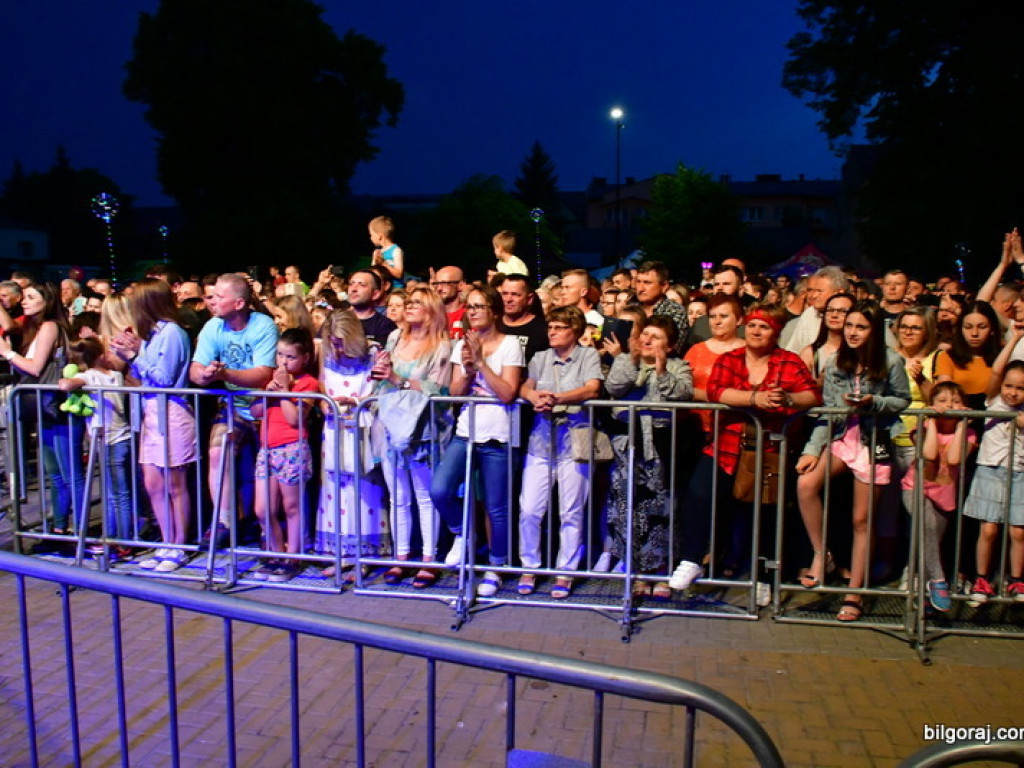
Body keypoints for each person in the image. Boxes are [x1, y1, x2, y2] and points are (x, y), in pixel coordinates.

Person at [669, 304, 820, 593]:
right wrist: (754, 398)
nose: (756, 331)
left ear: (775, 332)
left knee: (762, 516)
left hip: (768, 451)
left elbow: (811, 395)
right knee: (699, 495)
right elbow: (715, 391)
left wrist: (788, 398)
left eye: (763, 326)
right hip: (725, 444)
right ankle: (691, 559)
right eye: (752, 325)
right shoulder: (730, 358)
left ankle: (762, 577)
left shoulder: (787, 361)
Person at [795, 301, 911, 622]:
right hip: (842, 438)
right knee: (806, 484)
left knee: (862, 520)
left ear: (874, 331)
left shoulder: (890, 361)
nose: (853, 333)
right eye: (849, 326)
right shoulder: (835, 362)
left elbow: (903, 400)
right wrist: (811, 450)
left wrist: (875, 402)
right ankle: (822, 554)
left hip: (875, 442)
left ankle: (854, 593)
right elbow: (829, 415)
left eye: (861, 327)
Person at [430, 284, 524, 597]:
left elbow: (509, 393)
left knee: (496, 508)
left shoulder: (510, 344)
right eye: (469, 307)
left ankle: (496, 568)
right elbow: (456, 394)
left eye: (479, 306)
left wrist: (482, 363)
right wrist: (469, 369)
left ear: (494, 312)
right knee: (440, 489)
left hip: (497, 435)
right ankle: (463, 534)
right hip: (466, 431)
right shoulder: (461, 346)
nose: (472, 312)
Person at [516, 306, 603, 599]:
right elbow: (525, 386)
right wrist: (532, 396)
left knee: (571, 511)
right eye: (550, 327)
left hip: (574, 442)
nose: (551, 332)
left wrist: (557, 398)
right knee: (529, 509)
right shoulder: (541, 357)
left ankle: (565, 572)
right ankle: (530, 566)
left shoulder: (588, 356)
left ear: (574, 331)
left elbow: (592, 389)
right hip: (541, 441)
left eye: (559, 327)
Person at [111, 278, 197, 572]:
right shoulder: (150, 334)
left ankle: (180, 544)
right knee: (152, 482)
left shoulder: (172, 332)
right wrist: (130, 354)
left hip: (171, 412)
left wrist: (135, 355)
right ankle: (166, 541)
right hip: (150, 412)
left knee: (175, 483)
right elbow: (143, 375)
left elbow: (163, 377)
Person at [605, 316, 693, 597]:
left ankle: (664, 570)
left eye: (655, 337)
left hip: (661, 446)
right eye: (645, 335)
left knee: (663, 509)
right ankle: (638, 571)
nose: (646, 340)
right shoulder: (629, 361)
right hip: (628, 444)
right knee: (629, 508)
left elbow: (681, 394)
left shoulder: (679, 366)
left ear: (669, 345)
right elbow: (614, 388)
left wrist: (663, 368)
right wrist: (629, 359)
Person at [372, 286, 453, 588]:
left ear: (431, 309)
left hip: (423, 430)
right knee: (398, 497)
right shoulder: (395, 337)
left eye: (417, 303)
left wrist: (399, 380)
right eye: (408, 302)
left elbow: (440, 390)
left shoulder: (442, 346)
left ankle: (430, 559)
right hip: (391, 425)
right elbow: (385, 378)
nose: (409, 307)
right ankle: (401, 556)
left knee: (424, 496)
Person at [190, 273, 278, 547]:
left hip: (265, 406)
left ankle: (268, 528)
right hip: (233, 406)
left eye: (218, 297)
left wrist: (226, 373)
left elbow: (264, 374)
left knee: (266, 469)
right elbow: (195, 368)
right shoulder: (212, 327)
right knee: (217, 452)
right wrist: (205, 375)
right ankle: (224, 520)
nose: (211, 301)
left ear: (238, 303)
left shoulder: (263, 326)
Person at [0, 283, 83, 547]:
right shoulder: (35, 327)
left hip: (57, 406)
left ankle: (78, 532)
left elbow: (35, 368)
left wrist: (7, 353)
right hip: (45, 408)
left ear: (46, 301)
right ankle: (59, 530)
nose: (24, 301)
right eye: (23, 297)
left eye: (31, 297)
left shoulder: (50, 326)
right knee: (55, 474)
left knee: (69, 474)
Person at [316, 310, 391, 575]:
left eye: (340, 341)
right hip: (335, 429)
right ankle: (340, 552)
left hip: (362, 430)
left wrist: (357, 404)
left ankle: (365, 554)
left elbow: (381, 393)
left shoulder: (373, 354)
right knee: (336, 490)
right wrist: (326, 406)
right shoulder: (325, 355)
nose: (337, 347)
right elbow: (322, 388)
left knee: (363, 492)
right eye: (333, 341)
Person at [250, 328, 319, 583]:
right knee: (263, 508)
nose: (283, 362)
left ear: (305, 359)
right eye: (280, 355)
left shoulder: (308, 383)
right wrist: (268, 392)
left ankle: (294, 557)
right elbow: (256, 411)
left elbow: (293, 418)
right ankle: (275, 553)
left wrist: (285, 391)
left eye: (290, 357)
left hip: (292, 448)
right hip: (266, 450)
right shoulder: (271, 379)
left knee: (291, 506)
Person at [900, 382, 976, 611]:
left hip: (944, 496)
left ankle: (924, 594)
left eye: (955, 401)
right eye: (942, 401)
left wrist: (962, 426)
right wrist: (931, 421)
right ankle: (939, 581)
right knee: (928, 525)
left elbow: (953, 459)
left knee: (930, 542)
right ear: (932, 404)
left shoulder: (969, 434)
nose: (949, 406)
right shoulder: (923, 426)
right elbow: (929, 454)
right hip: (915, 488)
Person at [963, 337, 1024, 606]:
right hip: (990, 469)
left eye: (1020, 388)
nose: (1012, 392)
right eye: (1009, 386)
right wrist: (1015, 338)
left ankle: (1016, 580)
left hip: (1019, 471)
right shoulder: (994, 402)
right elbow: (998, 369)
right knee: (988, 530)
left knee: (1018, 532)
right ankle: (982, 579)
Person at [59, 338, 132, 558]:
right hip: (123, 436)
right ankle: (112, 538)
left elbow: (65, 385)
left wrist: (70, 377)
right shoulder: (117, 376)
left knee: (117, 494)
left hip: (109, 439)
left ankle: (123, 541)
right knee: (116, 492)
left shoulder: (89, 376)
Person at [934, 301, 1001, 411]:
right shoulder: (947, 356)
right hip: (957, 418)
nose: (974, 333)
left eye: (982, 327)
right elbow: (944, 392)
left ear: (992, 329)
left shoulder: (1002, 358)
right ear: (961, 329)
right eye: (968, 327)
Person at [799, 292, 855, 384]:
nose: (834, 315)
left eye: (842, 311)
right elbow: (798, 392)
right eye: (830, 310)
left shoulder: (858, 351)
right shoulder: (810, 353)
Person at [632, 261, 689, 351]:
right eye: (638, 282)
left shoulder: (675, 311)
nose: (641, 288)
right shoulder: (631, 308)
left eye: (647, 283)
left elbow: (674, 348)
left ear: (664, 286)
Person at [496, 274, 548, 362]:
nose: (508, 299)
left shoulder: (542, 330)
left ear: (529, 299)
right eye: (504, 294)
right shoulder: (493, 325)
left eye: (515, 294)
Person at [345, 270, 397, 346]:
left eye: (362, 285)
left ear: (375, 294)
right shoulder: (336, 320)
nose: (353, 289)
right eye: (351, 284)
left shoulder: (385, 325)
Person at [430, 266, 466, 340]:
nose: (439, 288)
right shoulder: (431, 314)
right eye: (436, 283)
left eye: (445, 283)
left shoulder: (469, 314)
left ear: (460, 285)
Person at [369, 215, 405, 286]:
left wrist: (384, 264)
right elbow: (372, 273)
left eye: (371, 235)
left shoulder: (396, 250)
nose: (371, 238)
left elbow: (399, 274)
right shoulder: (377, 252)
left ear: (380, 236)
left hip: (395, 290)